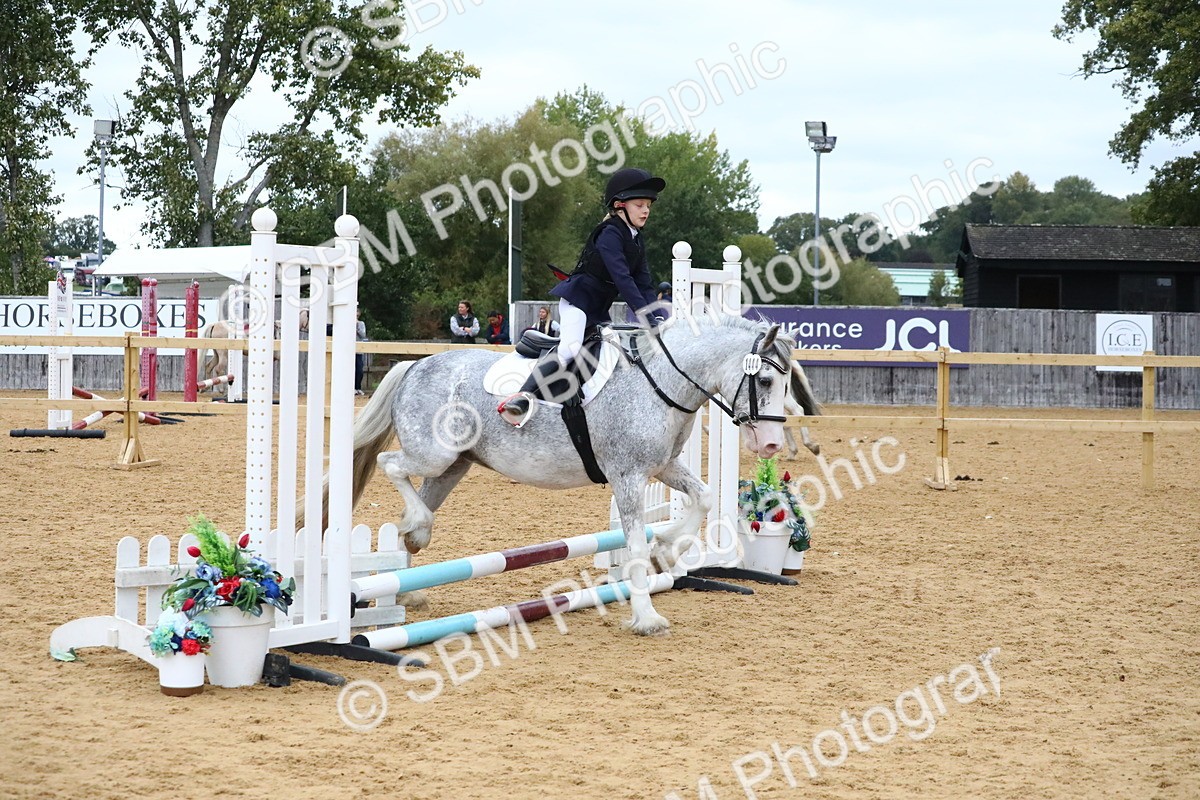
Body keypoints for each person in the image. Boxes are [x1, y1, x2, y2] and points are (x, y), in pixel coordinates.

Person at [498, 167, 667, 427]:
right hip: (578, 301)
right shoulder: (609, 233)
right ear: (620, 205)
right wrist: (647, 319)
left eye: (649, 205)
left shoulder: (636, 239)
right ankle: (521, 398)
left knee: (610, 352)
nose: (646, 210)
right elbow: (623, 279)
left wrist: (657, 316)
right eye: (640, 205)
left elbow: (644, 284)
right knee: (571, 348)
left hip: (597, 309)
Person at [354, 309, 368, 396]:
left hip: (358, 350)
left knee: (359, 370)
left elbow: (363, 335)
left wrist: (356, 327)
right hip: (348, 351)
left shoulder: (361, 324)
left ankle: (358, 387)